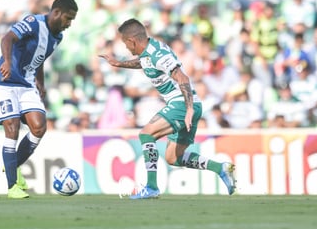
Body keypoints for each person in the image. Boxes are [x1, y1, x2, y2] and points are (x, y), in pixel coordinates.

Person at [99, 18, 236, 199]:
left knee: (146, 134)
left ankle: (152, 187)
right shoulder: (149, 51)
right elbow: (144, 62)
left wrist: (188, 110)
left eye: (125, 44)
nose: (126, 48)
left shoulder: (158, 54)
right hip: (186, 104)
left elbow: (182, 78)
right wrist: (119, 63)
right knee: (173, 158)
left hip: (182, 104)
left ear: (132, 41)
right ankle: (221, 168)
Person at [0, 0, 78, 198]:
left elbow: (40, 57)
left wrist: (41, 82)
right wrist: (8, 63)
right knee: (12, 128)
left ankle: (13, 165)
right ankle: (13, 187)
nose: (69, 24)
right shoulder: (33, 22)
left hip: (27, 85)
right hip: (5, 82)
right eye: (68, 18)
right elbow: (7, 38)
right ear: (56, 13)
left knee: (39, 127)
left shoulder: (58, 37)